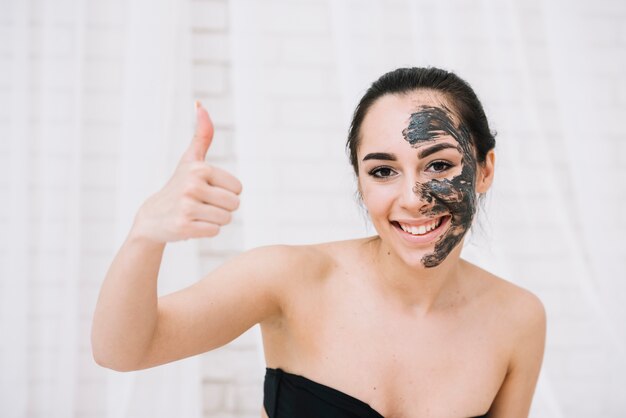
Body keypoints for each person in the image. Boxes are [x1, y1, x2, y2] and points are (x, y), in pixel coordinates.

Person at [92, 67, 546, 418]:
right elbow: (123, 351)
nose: (413, 198)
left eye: (440, 165)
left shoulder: (518, 318)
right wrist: (145, 233)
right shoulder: (289, 279)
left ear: (484, 170)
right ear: (361, 182)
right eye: (383, 171)